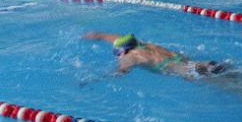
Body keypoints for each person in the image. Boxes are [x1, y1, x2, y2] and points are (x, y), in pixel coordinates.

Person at [83, 32, 229, 80]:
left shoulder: (130, 57)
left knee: (233, 87)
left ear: (123, 52)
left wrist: (95, 79)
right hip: (195, 63)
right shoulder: (142, 45)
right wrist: (99, 35)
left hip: (186, 71)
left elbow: (121, 72)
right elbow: (116, 37)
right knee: (227, 73)